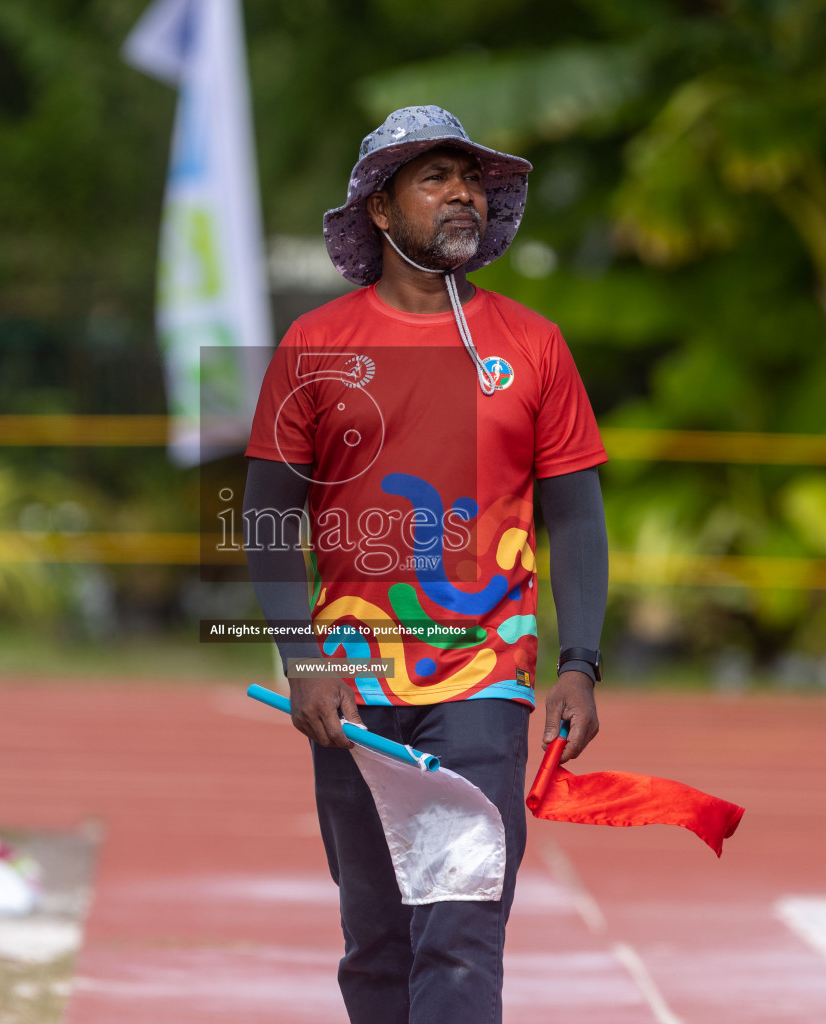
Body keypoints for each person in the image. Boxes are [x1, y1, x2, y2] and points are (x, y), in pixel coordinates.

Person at [241, 105, 611, 1024]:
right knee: (377, 941)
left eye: (472, 178)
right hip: (352, 681)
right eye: (435, 177)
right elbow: (264, 516)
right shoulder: (316, 345)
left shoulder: (533, 345)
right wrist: (304, 659)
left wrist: (580, 663)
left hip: (485, 678)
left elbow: (577, 514)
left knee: (459, 928)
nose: (463, 193)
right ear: (378, 207)